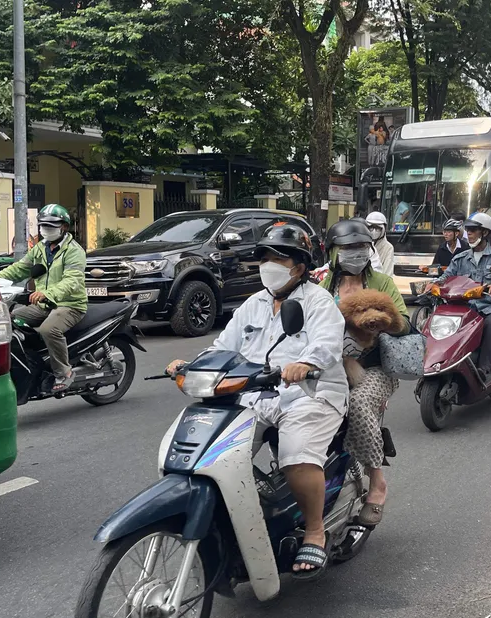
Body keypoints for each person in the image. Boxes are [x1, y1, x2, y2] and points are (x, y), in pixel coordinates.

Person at [165, 224, 347, 579]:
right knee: (214, 454)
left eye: (278, 257)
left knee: (295, 456)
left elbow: (327, 344)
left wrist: (306, 364)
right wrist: (191, 366)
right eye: (264, 257)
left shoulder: (317, 301)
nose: (269, 264)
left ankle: (314, 530)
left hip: (310, 393)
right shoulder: (254, 303)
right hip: (256, 394)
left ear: (299, 265)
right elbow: (223, 347)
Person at [321, 219, 410, 527]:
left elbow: (405, 323)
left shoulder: (382, 283)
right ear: (333, 253)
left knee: (358, 403)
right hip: (330, 366)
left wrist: (379, 322)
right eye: (347, 248)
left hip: (376, 369)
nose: (355, 254)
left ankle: (377, 481)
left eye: (361, 248)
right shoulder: (324, 286)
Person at [0, 204, 87, 392]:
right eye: (44, 225)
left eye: (52, 226)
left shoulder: (74, 251)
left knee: (49, 329)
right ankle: (34, 361)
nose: (47, 229)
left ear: (64, 227)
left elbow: (72, 281)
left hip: (69, 305)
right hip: (44, 305)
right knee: (9, 320)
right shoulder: (40, 248)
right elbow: (19, 269)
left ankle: (64, 372)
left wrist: (47, 293)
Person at [430, 212, 491, 378]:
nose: (468, 233)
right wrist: (434, 284)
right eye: (467, 230)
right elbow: (447, 276)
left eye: (473, 230)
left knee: (490, 325)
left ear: (484, 233)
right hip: (464, 306)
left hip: (490, 306)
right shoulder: (460, 259)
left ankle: (484, 367)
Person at [365, 211, 396, 275]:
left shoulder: (388, 248)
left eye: (377, 228)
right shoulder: (361, 245)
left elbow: (388, 273)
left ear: (384, 229)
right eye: (371, 228)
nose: (374, 231)